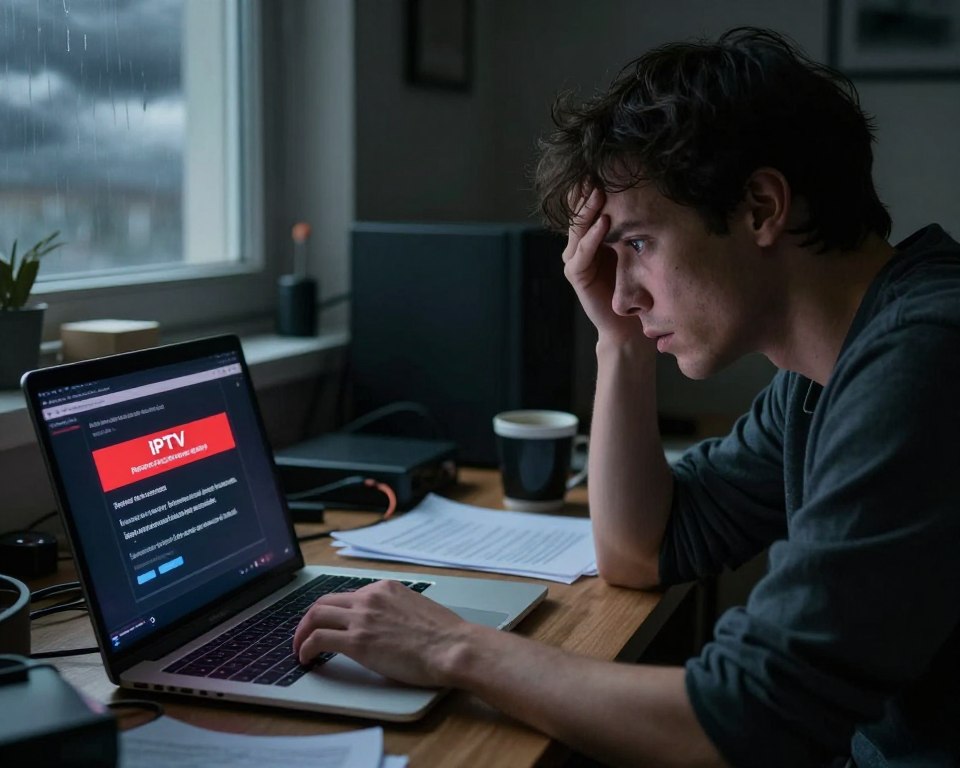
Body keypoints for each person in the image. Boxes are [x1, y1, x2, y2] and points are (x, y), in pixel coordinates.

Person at [293, 27, 960, 767]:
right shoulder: (821, 372)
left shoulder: (924, 355)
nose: (623, 291)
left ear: (762, 207)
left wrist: (452, 647)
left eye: (638, 244)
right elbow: (640, 551)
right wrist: (620, 343)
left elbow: (747, 715)